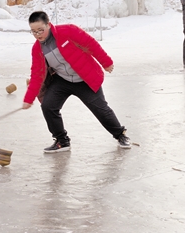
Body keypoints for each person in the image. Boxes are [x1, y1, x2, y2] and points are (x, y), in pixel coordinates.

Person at [21, 11, 131, 153]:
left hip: (85, 78)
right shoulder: (37, 49)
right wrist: (28, 99)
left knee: (101, 109)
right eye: (34, 32)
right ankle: (62, 141)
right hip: (63, 80)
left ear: (48, 25)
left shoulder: (68, 31)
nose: (38, 35)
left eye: (41, 30)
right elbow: (37, 74)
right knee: (48, 106)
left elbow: (91, 44)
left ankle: (120, 135)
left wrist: (106, 62)